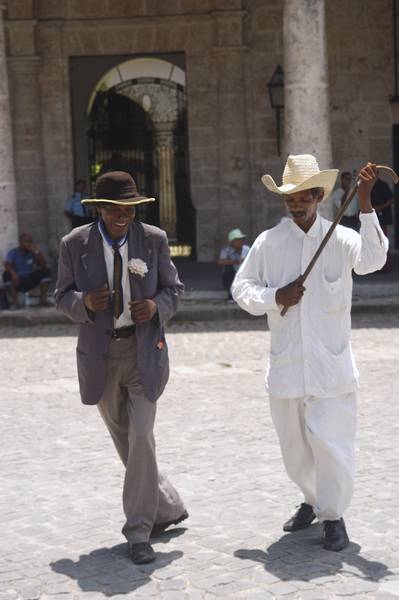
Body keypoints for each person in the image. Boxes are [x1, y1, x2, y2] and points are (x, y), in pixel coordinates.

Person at [232, 155, 388, 552]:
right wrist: (274, 296)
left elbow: (374, 260)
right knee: (295, 450)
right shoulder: (269, 242)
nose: (297, 205)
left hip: (332, 368)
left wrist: (365, 203)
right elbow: (241, 288)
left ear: (319, 196)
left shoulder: (342, 239)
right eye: (290, 199)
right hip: (287, 368)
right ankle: (312, 500)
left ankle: (334, 516)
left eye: (304, 197)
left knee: (332, 446)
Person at [55, 171, 188, 565]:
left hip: (143, 351)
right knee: (125, 440)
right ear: (99, 209)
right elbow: (60, 295)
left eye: (129, 208)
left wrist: (156, 308)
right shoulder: (73, 244)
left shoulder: (154, 239)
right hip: (100, 356)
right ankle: (166, 506)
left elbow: (174, 290)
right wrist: (84, 304)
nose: (122, 215)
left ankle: (138, 531)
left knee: (143, 434)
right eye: (114, 208)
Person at [3, 233, 51, 308]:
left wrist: (37, 252)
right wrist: (13, 274)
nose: (29, 243)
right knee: (6, 275)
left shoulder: (32, 253)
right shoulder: (13, 252)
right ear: (20, 242)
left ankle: (43, 299)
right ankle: (17, 303)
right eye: (26, 241)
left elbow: (43, 265)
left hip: (29, 279)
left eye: (30, 241)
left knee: (45, 271)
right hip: (17, 280)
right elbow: (7, 264)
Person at [218, 229, 250, 302]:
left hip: (244, 274)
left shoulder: (247, 249)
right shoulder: (226, 250)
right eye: (238, 239)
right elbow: (220, 262)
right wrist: (236, 261)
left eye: (242, 239)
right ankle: (231, 294)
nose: (241, 241)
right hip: (231, 276)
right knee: (228, 268)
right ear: (232, 241)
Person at [371, 175, 394, 273]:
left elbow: (392, 200)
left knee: (383, 242)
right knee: (374, 243)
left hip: (382, 218)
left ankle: (385, 267)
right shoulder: (370, 185)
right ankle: (376, 267)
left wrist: (381, 207)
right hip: (372, 218)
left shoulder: (383, 185)